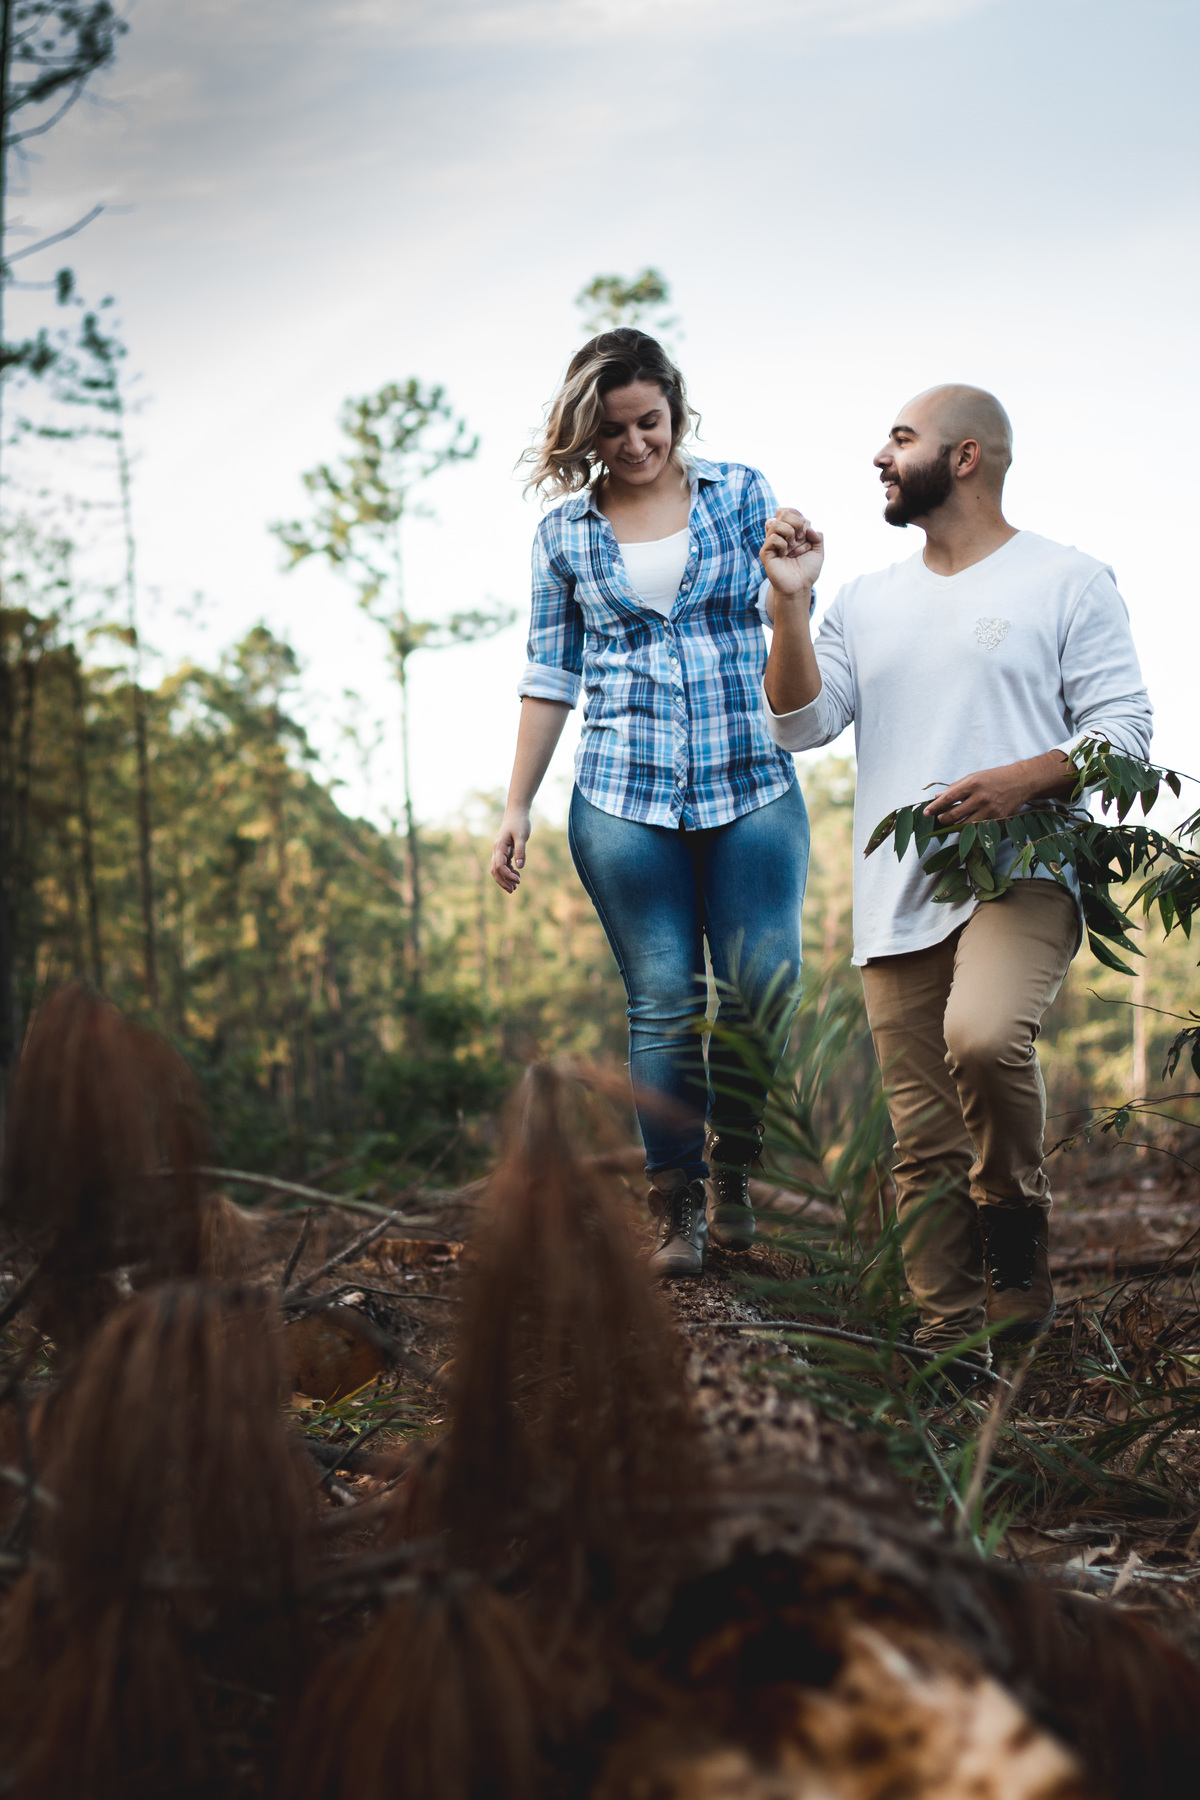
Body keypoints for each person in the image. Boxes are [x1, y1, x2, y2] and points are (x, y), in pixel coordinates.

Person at [758, 384, 1152, 1362]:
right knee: (923, 1144)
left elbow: (1127, 736)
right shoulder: (867, 600)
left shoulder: (1066, 580)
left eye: (900, 438)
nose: (880, 457)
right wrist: (792, 609)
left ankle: (1015, 1230)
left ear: (965, 456)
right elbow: (800, 724)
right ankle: (951, 1345)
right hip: (899, 898)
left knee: (983, 1035)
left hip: (1029, 869)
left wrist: (1030, 777)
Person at [490, 328, 810, 1278]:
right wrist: (517, 805)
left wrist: (798, 589)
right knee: (665, 1001)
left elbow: (789, 621)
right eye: (614, 430)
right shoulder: (564, 535)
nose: (635, 445)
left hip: (750, 776)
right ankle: (676, 1205)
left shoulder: (743, 493)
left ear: (675, 407)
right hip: (624, 791)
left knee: (762, 990)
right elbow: (550, 675)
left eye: (650, 423)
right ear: (587, 432)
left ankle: (736, 1171)